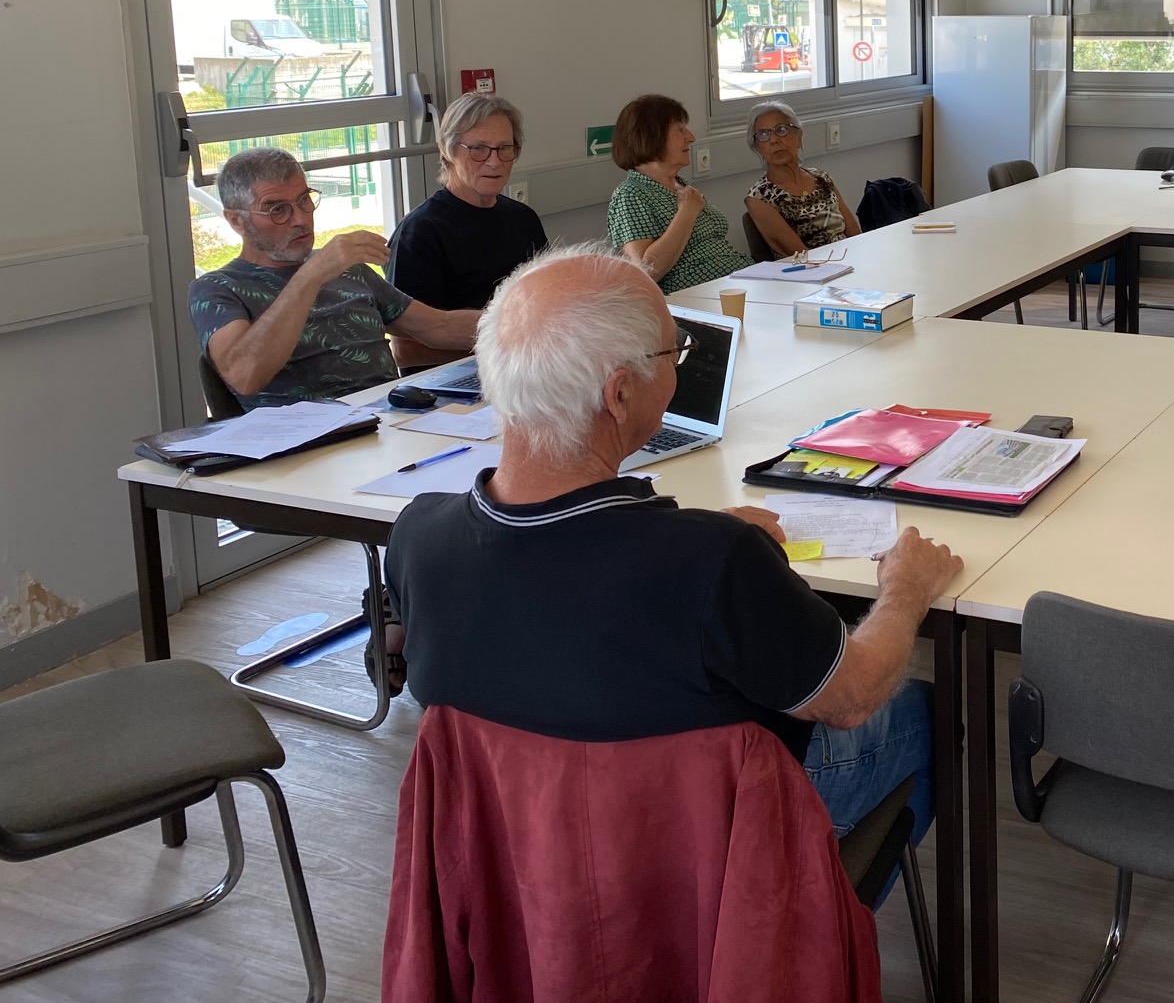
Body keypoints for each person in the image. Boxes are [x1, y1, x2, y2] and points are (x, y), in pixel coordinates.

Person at [383, 243, 961, 854]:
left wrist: (694, 539)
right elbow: (852, 697)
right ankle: (810, 905)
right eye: (674, 352)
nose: (679, 367)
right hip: (699, 838)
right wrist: (905, 589)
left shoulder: (418, 535)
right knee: (925, 711)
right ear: (619, 394)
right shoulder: (716, 560)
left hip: (510, 840)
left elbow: (561, 594)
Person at [190, 148, 479, 408]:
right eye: (278, 210)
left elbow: (437, 326)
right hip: (308, 438)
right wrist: (310, 276)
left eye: (304, 200)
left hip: (391, 418)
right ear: (236, 220)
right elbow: (244, 375)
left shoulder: (348, 269)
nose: (300, 219)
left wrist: (505, 319)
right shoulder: (216, 289)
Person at [387, 92, 547, 370]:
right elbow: (405, 351)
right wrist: (506, 351)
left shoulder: (524, 218)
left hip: (525, 368)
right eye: (478, 149)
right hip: (454, 381)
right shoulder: (419, 233)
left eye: (504, 148)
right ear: (448, 151)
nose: (494, 162)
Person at [607, 93, 751, 292]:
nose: (690, 138)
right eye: (680, 130)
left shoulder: (681, 186)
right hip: (692, 298)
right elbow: (645, 270)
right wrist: (687, 212)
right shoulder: (631, 194)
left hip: (735, 282)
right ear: (652, 136)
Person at [743, 100, 861, 257]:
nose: (773, 140)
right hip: (811, 268)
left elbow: (855, 234)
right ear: (758, 147)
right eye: (763, 135)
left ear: (798, 136)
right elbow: (802, 255)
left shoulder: (822, 178)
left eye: (781, 130)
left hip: (851, 258)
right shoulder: (759, 198)